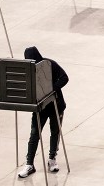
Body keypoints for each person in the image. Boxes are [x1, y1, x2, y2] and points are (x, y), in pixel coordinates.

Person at [18, 46, 69, 179]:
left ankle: (52, 158)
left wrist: (51, 89)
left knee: (55, 132)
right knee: (34, 134)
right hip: (40, 107)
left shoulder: (49, 64)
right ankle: (29, 164)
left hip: (56, 105)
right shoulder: (29, 70)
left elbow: (65, 77)